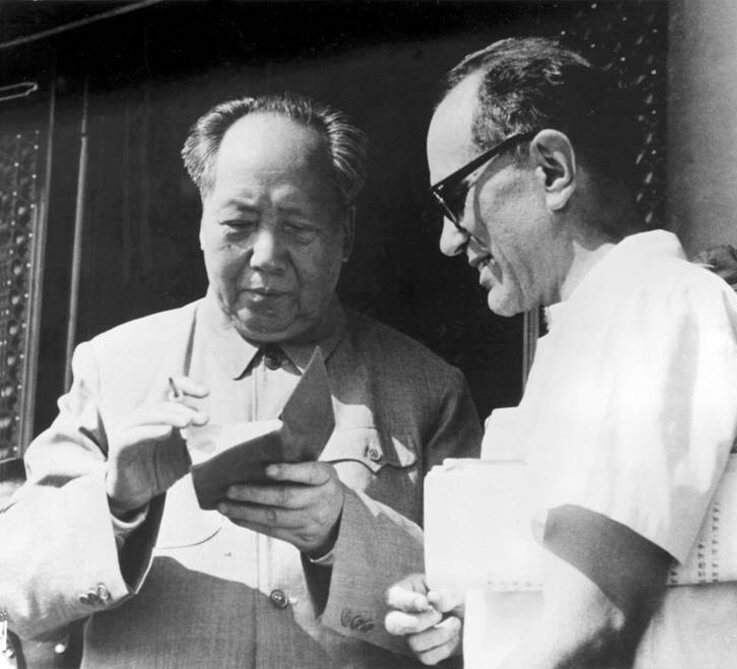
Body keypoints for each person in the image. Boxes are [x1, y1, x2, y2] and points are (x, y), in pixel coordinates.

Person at [0, 93, 481, 668]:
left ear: (345, 235)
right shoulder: (114, 367)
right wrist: (116, 502)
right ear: (203, 224)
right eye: (239, 224)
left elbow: (480, 603)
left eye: (298, 227)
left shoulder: (427, 390)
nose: (266, 255)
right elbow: (13, 585)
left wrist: (343, 531)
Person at [385, 37, 737, 668]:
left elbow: (591, 626)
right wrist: (481, 611)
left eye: (453, 198)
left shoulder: (652, 308)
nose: (450, 240)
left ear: (552, 169)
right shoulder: (598, 329)